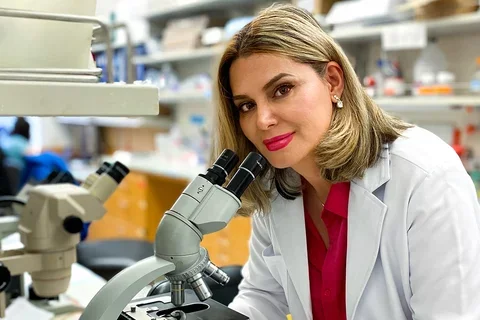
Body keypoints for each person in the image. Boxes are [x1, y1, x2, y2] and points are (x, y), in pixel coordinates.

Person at [212, 4, 480, 320]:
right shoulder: (276, 184)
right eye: (247, 106)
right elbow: (262, 297)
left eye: (282, 90)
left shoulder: (426, 177)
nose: (263, 120)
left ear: (333, 81)